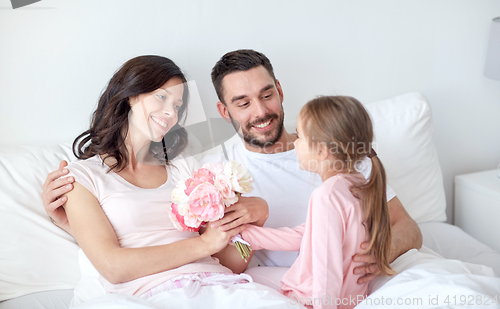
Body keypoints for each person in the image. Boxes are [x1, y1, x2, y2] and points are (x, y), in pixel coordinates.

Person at [42, 50, 422, 284]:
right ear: (223, 111)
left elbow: (407, 228)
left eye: (266, 94)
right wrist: (72, 222)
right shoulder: (212, 170)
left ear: (280, 90)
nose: (260, 112)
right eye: (242, 103)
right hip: (287, 284)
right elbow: (231, 255)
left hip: (367, 278)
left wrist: (374, 256)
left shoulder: (340, 150)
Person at [54, 55, 298, 308]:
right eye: (162, 97)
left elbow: (231, 263)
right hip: (149, 296)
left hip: (220, 286)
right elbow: (114, 267)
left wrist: (253, 225)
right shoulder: (81, 178)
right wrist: (203, 244)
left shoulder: (186, 169)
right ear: (131, 95)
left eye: (178, 105)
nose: (171, 112)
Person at [240, 95, 395, 309]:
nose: (295, 142)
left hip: (322, 298)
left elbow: (326, 269)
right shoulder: (357, 184)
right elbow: (305, 236)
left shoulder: (327, 196)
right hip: (352, 294)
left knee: (247, 279)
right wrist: (248, 235)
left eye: (301, 137)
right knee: (254, 273)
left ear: (321, 151)